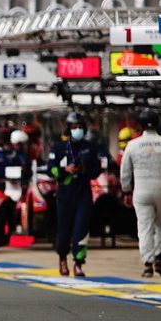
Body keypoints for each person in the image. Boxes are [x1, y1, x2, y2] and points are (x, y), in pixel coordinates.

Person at [121, 109, 161, 278]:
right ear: (157, 124)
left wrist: (126, 190)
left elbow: (125, 172)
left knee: (144, 226)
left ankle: (148, 263)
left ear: (140, 125)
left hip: (141, 189)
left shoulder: (132, 145)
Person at [47, 112, 102, 277]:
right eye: (74, 127)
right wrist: (65, 170)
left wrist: (85, 169)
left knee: (81, 229)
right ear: (68, 129)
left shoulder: (90, 148)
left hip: (83, 194)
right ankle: (62, 259)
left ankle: (78, 263)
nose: (77, 130)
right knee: (63, 231)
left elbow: (96, 170)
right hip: (65, 195)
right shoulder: (58, 148)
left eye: (80, 127)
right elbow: (50, 169)